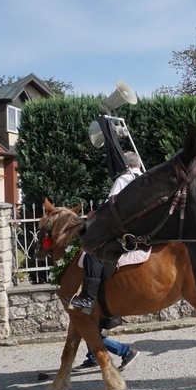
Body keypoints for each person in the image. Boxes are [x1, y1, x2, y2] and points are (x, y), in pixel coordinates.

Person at [71, 151, 143, 372]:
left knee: (93, 253)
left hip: (122, 232)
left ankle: (88, 298)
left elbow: (109, 204)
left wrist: (93, 216)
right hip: (138, 229)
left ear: (124, 165)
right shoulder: (143, 177)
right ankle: (94, 355)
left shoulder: (124, 178)